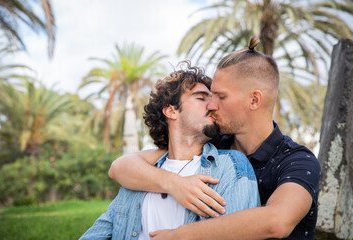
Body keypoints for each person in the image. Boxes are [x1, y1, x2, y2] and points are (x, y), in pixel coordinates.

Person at [108, 36, 321, 240]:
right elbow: (121, 166)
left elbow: (277, 221)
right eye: (208, 96)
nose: (211, 104)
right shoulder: (213, 144)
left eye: (220, 96)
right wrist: (174, 184)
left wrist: (180, 235)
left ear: (254, 100)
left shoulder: (297, 161)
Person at [79, 62, 260, 240]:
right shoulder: (139, 178)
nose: (212, 105)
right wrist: (174, 184)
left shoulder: (231, 166)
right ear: (171, 111)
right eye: (201, 98)